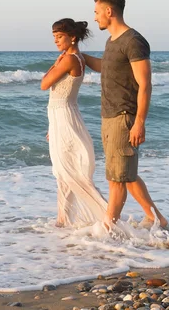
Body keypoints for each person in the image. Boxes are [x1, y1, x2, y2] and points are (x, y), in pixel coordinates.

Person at [81, 0, 168, 229]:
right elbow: (105, 68)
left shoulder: (133, 41)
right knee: (126, 175)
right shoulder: (112, 42)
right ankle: (156, 218)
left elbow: (145, 83)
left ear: (109, 11)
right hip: (109, 117)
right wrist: (80, 56)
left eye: (97, 11)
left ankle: (108, 231)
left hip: (123, 117)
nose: (95, 17)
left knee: (117, 180)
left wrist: (139, 121)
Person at [41, 18, 107, 227]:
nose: (56, 41)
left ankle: (105, 216)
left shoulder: (69, 59)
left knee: (67, 171)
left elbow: (44, 84)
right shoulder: (77, 57)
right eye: (54, 37)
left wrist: (56, 63)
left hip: (64, 115)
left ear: (73, 38)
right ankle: (63, 218)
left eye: (59, 37)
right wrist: (53, 126)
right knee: (64, 170)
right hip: (62, 115)